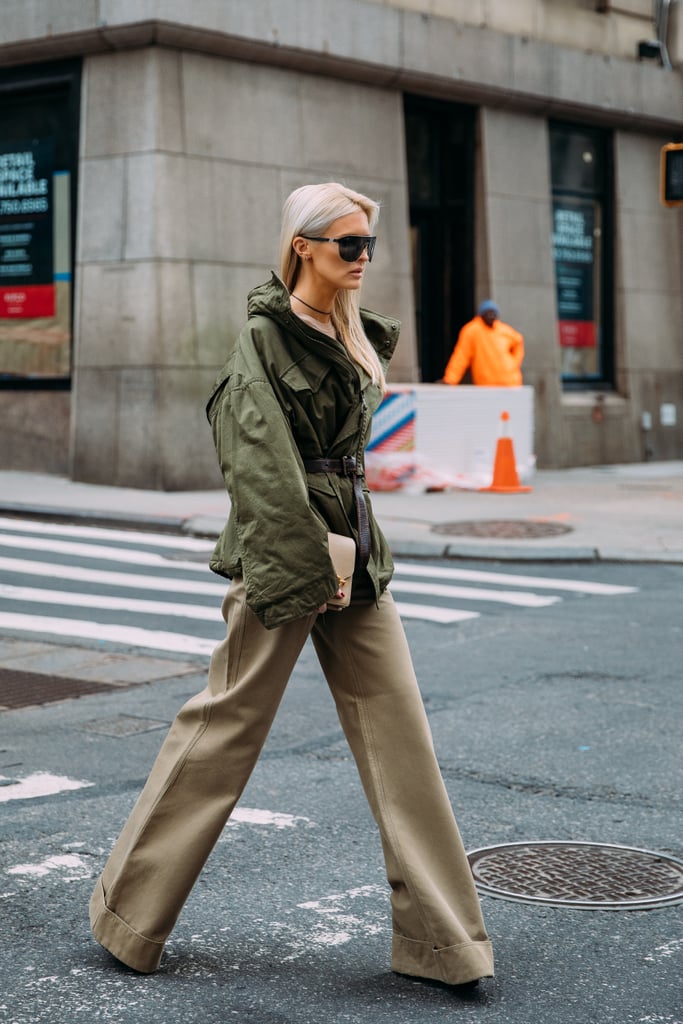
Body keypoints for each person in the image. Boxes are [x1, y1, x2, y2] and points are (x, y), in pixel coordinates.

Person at [89, 182, 494, 987]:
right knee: (225, 727)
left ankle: (444, 946)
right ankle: (127, 914)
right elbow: (259, 469)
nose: (363, 259)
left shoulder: (352, 334)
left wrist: (350, 560)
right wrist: (310, 570)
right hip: (287, 555)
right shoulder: (263, 342)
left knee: (400, 733)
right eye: (348, 244)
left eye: (369, 245)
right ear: (302, 246)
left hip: (353, 558)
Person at [442, 299, 524, 386]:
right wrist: (450, 379)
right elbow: (461, 356)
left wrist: (514, 363)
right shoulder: (472, 330)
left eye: (494, 313)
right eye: (488, 313)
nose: (491, 316)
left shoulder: (504, 330)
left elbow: (518, 342)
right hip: (487, 384)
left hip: (511, 382)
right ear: (481, 315)